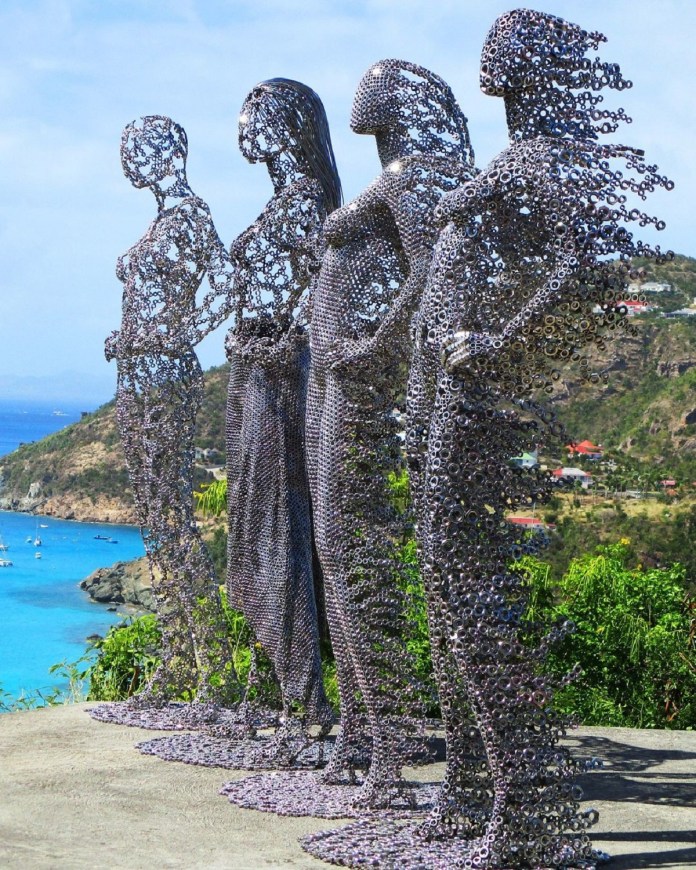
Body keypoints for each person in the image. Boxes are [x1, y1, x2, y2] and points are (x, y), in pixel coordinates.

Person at [305, 60, 474, 810]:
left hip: (358, 382)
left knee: (349, 554)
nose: (357, 94)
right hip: (333, 375)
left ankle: (386, 746)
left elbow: (427, 275)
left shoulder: (410, 177)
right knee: (337, 554)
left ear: (399, 100)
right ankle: (360, 732)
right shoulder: (402, 174)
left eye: (373, 85)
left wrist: (372, 349)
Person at [103, 115, 240, 722]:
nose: (128, 162)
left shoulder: (189, 216)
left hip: (162, 381)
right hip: (138, 378)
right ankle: (181, 660)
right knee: (158, 525)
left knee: (173, 523)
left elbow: (227, 283)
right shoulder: (163, 220)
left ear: (164, 155)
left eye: (135, 151)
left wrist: (169, 333)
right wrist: (132, 335)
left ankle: (214, 670)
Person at [224, 79, 340, 760]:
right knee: (259, 532)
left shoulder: (308, 205)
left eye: (260, 117)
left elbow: (316, 300)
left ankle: (305, 695)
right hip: (256, 374)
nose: (247, 129)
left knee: (276, 531)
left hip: (275, 379)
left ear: (294, 127)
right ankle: (288, 688)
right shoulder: (289, 201)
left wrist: (269, 346)